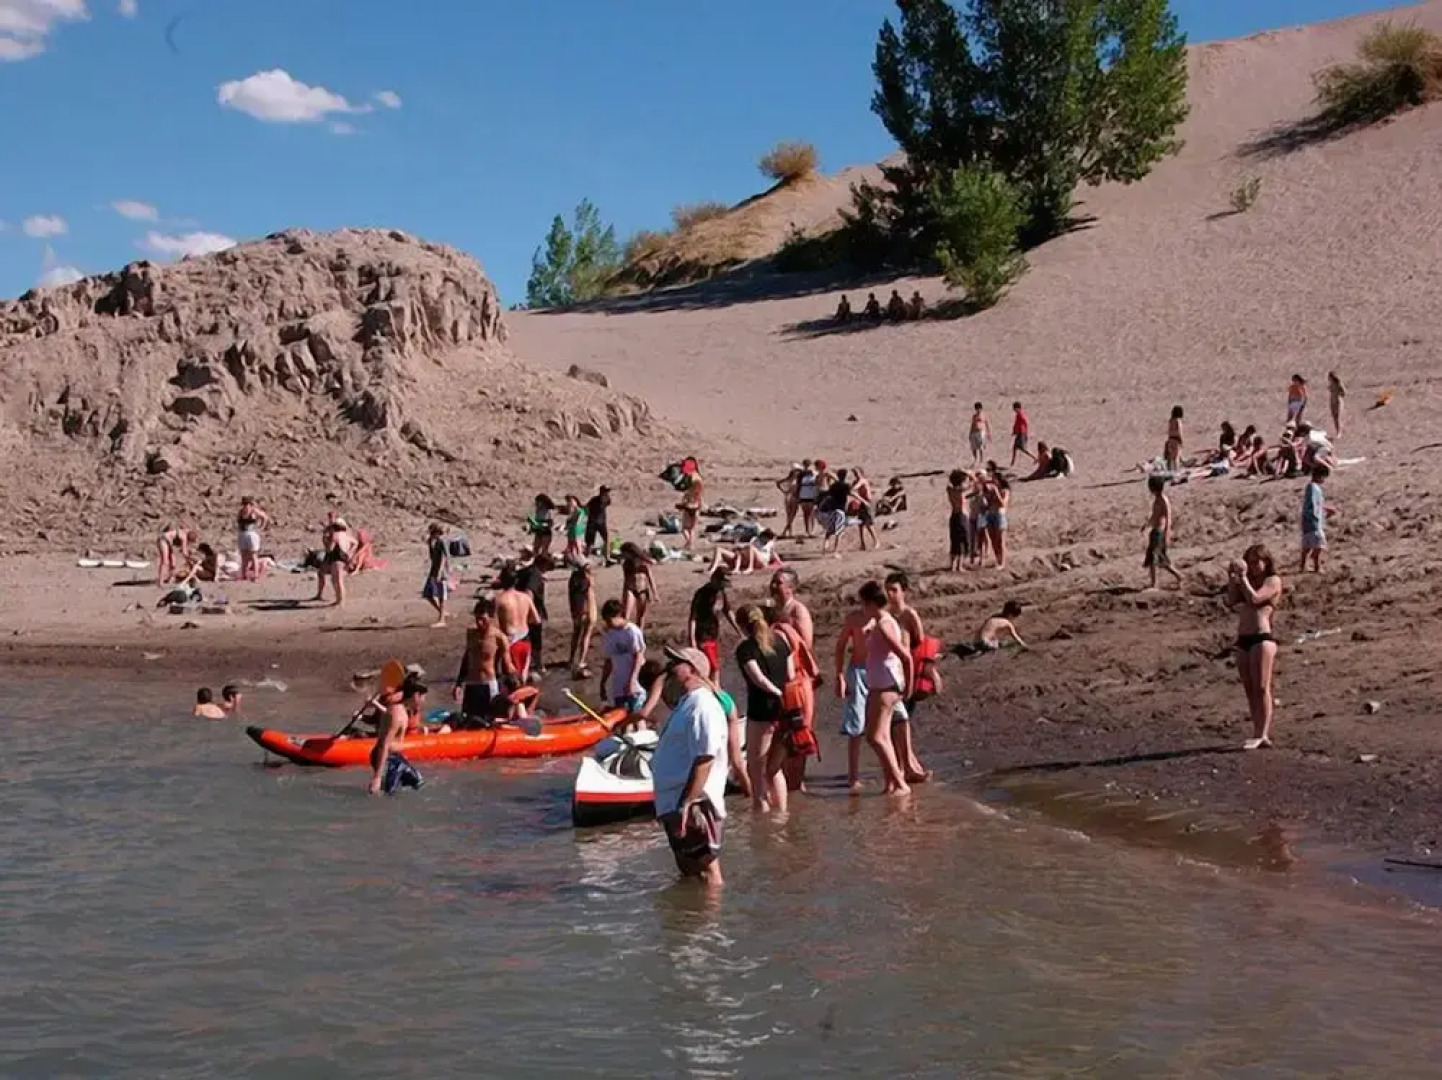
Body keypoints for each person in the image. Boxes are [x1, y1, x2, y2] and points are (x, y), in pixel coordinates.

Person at [651, 646, 729, 887]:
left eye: (677, 663)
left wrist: (688, 802)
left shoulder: (702, 705)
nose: (670, 668)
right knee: (688, 873)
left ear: (692, 670)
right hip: (675, 802)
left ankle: (711, 924)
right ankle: (692, 922)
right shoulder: (688, 704)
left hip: (694, 804)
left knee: (706, 872)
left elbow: (705, 757)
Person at [736, 604, 794, 812]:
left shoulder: (746, 649)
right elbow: (791, 676)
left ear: (741, 625)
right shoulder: (781, 641)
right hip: (787, 711)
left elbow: (758, 678)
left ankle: (761, 816)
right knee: (774, 768)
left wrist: (774, 692)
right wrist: (783, 694)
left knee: (756, 767)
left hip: (762, 711)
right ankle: (781, 815)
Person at [858, 580, 913, 795]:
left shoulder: (884, 624)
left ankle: (900, 783)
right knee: (883, 736)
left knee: (875, 737)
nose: (861, 607)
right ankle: (891, 782)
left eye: (863, 603)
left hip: (886, 685)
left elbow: (905, 656)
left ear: (872, 603)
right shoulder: (880, 621)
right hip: (879, 683)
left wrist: (908, 687)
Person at [1229, 544, 1283, 750]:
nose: (1252, 567)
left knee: (1262, 686)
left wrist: (1243, 579)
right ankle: (1256, 731)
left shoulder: (1273, 581)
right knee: (1249, 688)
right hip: (1244, 638)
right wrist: (1233, 579)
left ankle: (1263, 733)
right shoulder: (1247, 581)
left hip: (1262, 638)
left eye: (1255, 562)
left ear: (1265, 562)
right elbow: (1230, 600)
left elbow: (1256, 598)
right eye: (1249, 562)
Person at [883, 572, 931, 783]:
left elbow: (920, 641)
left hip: (906, 671)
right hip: (890, 671)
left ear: (904, 591)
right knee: (896, 720)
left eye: (894, 590)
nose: (890, 594)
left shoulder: (908, 614)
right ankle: (906, 766)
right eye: (888, 590)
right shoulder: (884, 614)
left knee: (903, 719)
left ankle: (907, 765)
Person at [452, 597, 516, 723]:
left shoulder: (499, 638)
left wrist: (514, 682)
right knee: (468, 719)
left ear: (491, 618)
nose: (479, 623)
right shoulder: (471, 634)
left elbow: (507, 664)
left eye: (483, 619)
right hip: (471, 684)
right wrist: (459, 684)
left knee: (488, 720)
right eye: (477, 619)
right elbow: (467, 658)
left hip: (488, 684)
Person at [369, 671, 426, 796]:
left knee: (418, 784)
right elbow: (384, 744)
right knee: (388, 795)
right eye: (422, 696)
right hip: (389, 760)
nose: (423, 700)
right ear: (415, 695)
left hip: (397, 759)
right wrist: (377, 777)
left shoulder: (401, 709)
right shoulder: (397, 714)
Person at [495, 564, 542, 686]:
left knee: (510, 681)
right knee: (523, 677)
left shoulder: (500, 599)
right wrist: (523, 619)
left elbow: (492, 622)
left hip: (509, 641)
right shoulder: (525, 597)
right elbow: (536, 620)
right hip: (525, 639)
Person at [599, 598, 647, 714]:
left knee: (635, 718)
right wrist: (602, 683)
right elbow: (609, 661)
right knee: (621, 719)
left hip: (635, 687)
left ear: (618, 615)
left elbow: (638, 657)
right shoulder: (609, 634)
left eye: (609, 619)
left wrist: (632, 681)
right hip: (618, 688)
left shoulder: (632, 632)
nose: (607, 623)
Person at [687, 568, 737, 678]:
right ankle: (715, 689)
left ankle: (713, 689)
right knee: (713, 668)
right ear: (714, 579)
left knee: (713, 667)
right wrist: (692, 640)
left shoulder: (721, 593)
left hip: (714, 635)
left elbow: (728, 612)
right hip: (703, 636)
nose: (723, 587)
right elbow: (693, 617)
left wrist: (738, 630)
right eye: (721, 584)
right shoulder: (702, 594)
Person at [1143, 474, 1183, 590]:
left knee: (1155, 558)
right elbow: (1155, 515)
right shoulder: (1157, 499)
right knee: (1156, 558)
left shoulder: (1163, 500)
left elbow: (1168, 517)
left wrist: (1167, 534)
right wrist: (1147, 525)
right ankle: (1178, 576)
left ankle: (1155, 585)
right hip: (1155, 530)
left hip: (1160, 532)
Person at [515, 551, 549, 677]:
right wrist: (531, 612)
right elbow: (529, 592)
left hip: (521, 611)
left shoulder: (527, 571)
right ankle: (538, 665)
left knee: (525, 639)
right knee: (535, 640)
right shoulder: (534, 575)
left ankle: (528, 665)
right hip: (533, 612)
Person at [956, 601, 1029, 656]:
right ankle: (980, 651)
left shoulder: (993, 617)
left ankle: (977, 649)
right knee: (1008, 644)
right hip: (985, 644)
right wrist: (1025, 646)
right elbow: (1017, 638)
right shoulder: (1007, 623)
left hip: (976, 641)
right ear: (1011, 615)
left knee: (996, 640)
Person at [568, 558, 597, 677]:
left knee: (576, 634)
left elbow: (572, 598)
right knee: (586, 636)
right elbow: (589, 596)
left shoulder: (573, 580)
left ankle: (571, 659)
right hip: (588, 610)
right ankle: (581, 661)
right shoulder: (587, 580)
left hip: (577, 610)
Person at [619, 542, 658, 628]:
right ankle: (625, 634)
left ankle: (639, 635)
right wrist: (624, 595)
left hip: (642, 590)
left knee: (640, 616)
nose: (623, 555)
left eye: (624, 553)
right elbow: (626, 580)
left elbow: (650, 578)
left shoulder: (643, 563)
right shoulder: (626, 564)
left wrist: (655, 593)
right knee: (626, 615)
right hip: (630, 589)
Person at [1301, 464, 1331, 572]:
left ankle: (1303, 565)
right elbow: (1314, 505)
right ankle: (1317, 566)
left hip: (1308, 521)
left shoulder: (1311, 487)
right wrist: (1316, 516)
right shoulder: (1313, 487)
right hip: (1313, 521)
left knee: (1307, 545)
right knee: (1318, 545)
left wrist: (1325, 509)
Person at [818, 467, 853, 556]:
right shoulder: (846, 486)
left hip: (832, 510)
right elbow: (851, 494)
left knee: (829, 532)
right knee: (839, 532)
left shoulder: (833, 486)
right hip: (840, 510)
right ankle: (835, 551)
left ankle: (824, 549)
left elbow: (828, 495)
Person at [980, 471, 1011, 569]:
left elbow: (1003, 504)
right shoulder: (990, 490)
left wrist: (996, 492)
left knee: (1000, 540)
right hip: (990, 514)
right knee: (993, 540)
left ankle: (1002, 562)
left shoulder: (1004, 491)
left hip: (999, 514)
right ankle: (998, 560)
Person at [423, 523, 451, 628]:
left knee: (441, 595)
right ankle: (442, 612)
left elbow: (444, 557)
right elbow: (432, 557)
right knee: (428, 593)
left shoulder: (441, 541)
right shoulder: (433, 542)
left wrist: (440, 571)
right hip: (434, 570)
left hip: (441, 571)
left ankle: (442, 619)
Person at [235, 496, 270, 582]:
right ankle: (244, 575)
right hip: (243, 534)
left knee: (253, 555)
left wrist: (261, 527)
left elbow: (265, 517)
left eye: (247, 504)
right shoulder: (240, 512)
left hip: (251, 533)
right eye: (244, 504)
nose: (246, 506)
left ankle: (256, 575)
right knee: (244, 556)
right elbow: (238, 521)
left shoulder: (254, 511)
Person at [946, 469, 970, 572]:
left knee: (954, 541)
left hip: (953, 516)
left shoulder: (950, 490)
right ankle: (959, 566)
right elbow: (973, 481)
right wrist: (967, 472)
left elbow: (949, 484)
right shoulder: (961, 491)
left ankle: (952, 565)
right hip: (961, 516)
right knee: (962, 541)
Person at [677, 464, 704, 550]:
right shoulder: (698, 491)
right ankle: (690, 544)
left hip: (688, 508)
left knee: (685, 528)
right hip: (696, 508)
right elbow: (700, 501)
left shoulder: (688, 491)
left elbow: (685, 500)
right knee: (692, 529)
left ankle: (689, 542)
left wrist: (681, 505)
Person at [852, 468, 878, 551]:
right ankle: (862, 544)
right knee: (860, 524)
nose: (856, 475)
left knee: (869, 524)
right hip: (861, 503)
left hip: (868, 502)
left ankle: (876, 541)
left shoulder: (863, 481)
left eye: (857, 473)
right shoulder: (855, 482)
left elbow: (855, 488)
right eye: (854, 473)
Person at [584, 486, 612, 563]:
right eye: (605, 492)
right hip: (592, 523)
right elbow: (586, 508)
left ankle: (607, 558)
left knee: (607, 539)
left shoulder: (607, 500)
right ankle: (585, 558)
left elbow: (608, 503)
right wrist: (589, 515)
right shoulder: (594, 500)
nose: (607, 494)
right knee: (590, 543)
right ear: (601, 492)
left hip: (602, 523)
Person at [794, 459, 821, 537]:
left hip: (811, 495)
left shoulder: (815, 474)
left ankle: (812, 530)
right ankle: (807, 531)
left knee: (811, 513)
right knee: (805, 514)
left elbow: (817, 485)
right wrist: (797, 495)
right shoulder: (801, 475)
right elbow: (798, 485)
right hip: (803, 495)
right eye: (805, 465)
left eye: (807, 465)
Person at [776, 464, 803, 538]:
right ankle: (787, 532)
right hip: (789, 497)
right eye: (796, 470)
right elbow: (778, 483)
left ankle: (787, 532)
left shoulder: (799, 479)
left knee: (792, 515)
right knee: (789, 515)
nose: (797, 472)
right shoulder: (791, 479)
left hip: (794, 497)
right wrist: (784, 491)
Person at [529, 494, 557, 559]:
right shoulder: (538, 510)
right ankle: (536, 561)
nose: (537, 503)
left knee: (544, 549)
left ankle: (544, 562)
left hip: (545, 532)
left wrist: (543, 525)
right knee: (536, 547)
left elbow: (551, 523)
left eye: (538, 502)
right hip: (539, 531)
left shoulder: (548, 511)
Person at [563, 495, 588, 563]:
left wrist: (569, 524)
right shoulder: (572, 512)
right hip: (571, 531)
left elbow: (578, 522)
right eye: (569, 502)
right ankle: (573, 560)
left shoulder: (580, 511)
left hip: (576, 530)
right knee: (570, 547)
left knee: (577, 546)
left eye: (572, 501)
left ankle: (581, 561)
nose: (570, 503)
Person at [1010, 402, 1034, 466]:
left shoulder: (1020, 414)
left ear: (1018, 408)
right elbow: (1017, 424)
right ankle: (1012, 462)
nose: (1014, 410)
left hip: (1021, 433)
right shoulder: (1018, 415)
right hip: (1019, 433)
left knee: (1023, 448)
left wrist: (1025, 432)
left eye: (1015, 408)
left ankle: (1034, 457)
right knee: (1015, 448)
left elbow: (1025, 422)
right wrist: (1014, 431)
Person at [968, 403, 990, 467]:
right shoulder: (974, 416)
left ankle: (981, 460)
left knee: (981, 446)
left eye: (979, 409)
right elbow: (972, 424)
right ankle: (975, 459)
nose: (978, 410)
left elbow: (987, 424)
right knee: (973, 447)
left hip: (981, 432)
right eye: (977, 409)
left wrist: (988, 433)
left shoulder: (983, 415)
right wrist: (970, 433)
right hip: (974, 432)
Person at [1165, 407, 1184, 473]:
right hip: (1176, 440)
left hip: (1170, 439)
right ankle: (1176, 471)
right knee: (1176, 457)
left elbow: (1169, 430)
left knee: (1170, 457)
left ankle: (1169, 471)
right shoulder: (1178, 421)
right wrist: (1181, 440)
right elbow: (1179, 431)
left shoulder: (1171, 420)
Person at [1327, 371, 1346, 437]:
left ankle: (1339, 432)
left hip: (1338, 401)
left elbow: (1344, 392)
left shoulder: (1338, 383)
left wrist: (1339, 396)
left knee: (1338, 417)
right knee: (1334, 417)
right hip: (1332, 401)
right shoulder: (1330, 384)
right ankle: (1338, 430)